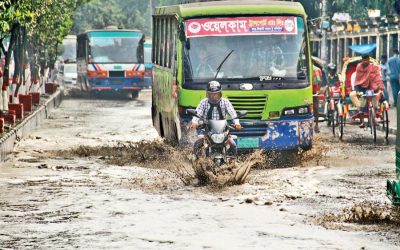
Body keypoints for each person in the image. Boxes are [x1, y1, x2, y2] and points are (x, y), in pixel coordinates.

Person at [190, 80, 242, 155]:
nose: (213, 96)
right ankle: (196, 162)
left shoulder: (225, 102)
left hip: (223, 131)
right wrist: (194, 122)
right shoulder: (203, 102)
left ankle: (233, 162)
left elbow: (233, 113)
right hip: (207, 130)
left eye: (216, 94)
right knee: (197, 144)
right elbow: (198, 113)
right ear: (207, 94)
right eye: (211, 94)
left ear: (220, 94)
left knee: (233, 145)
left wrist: (237, 123)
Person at [349, 54, 384, 127]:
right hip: (362, 88)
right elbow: (357, 81)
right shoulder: (359, 67)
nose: (365, 62)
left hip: (372, 88)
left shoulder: (373, 67)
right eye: (364, 60)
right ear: (362, 60)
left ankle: (375, 119)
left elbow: (378, 78)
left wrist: (379, 89)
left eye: (367, 60)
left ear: (368, 60)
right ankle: (362, 122)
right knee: (362, 103)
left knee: (375, 103)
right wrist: (358, 91)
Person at [312, 65, 322, 133]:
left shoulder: (315, 69)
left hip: (311, 91)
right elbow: (319, 81)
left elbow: (318, 80)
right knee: (316, 108)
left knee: (315, 108)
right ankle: (316, 125)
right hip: (314, 91)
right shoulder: (317, 69)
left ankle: (316, 125)